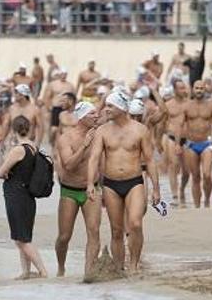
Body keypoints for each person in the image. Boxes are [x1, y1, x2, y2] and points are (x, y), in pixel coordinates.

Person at [87, 91, 160, 273]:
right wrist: (90, 184)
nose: (106, 109)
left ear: (121, 107)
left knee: (135, 223)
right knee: (116, 230)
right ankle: (119, 269)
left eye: (110, 106)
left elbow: (150, 160)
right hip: (111, 184)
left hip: (134, 182)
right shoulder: (102, 131)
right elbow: (94, 158)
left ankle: (134, 265)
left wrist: (156, 189)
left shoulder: (140, 130)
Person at [53, 102, 101, 278]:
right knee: (64, 236)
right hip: (69, 190)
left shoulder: (98, 135)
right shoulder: (66, 138)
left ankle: (89, 272)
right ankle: (61, 268)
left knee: (94, 231)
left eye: (97, 113)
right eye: (92, 113)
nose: (97, 116)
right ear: (82, 117)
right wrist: (85, 146)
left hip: (92, 189)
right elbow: (69, 165)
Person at [0, 116, 48, 280]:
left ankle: (43, 271)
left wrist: (7, 154)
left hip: (16, 195)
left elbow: (0, 172)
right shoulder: (34, 147)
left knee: (20, 239)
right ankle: (26, 272)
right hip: (28, 196)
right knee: (25, 236)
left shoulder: (18, 150)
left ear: (13, 131)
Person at [182, 80, 212, 208]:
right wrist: (178, 144)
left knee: (207, 175)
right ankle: (197, 206)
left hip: (207, 143)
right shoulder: (187, 106)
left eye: (201, 88)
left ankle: (207, 200)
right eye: (197, 88)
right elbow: (179, 125)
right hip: (191, 145)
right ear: (192, 89)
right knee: (195, 177)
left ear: (205, 89)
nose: (199, 90)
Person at [163, 80, 190, 205]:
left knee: (186, 170)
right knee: (173, 165)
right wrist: (157, 140)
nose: (183, 90)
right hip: (171, 137)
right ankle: (174, 195)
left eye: (184, 87)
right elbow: (161, 122)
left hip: (186, 139)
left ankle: (182, 189)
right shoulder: (168, 105)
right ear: (174, 90)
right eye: (180, 88)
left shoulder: (189, 104)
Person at [41, 69, 76, 145]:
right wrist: (49, 108)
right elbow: (46, 97)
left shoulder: (70, 85)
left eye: (65, 74)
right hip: (56, 108)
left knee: (64, 128)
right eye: (62, 74)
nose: (63, 75)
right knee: (54, 129)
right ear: (60, 74)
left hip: (67, 109)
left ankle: (60, 144)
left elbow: (74, 98)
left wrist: (74, 109)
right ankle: (51, 143)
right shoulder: (53, 84)